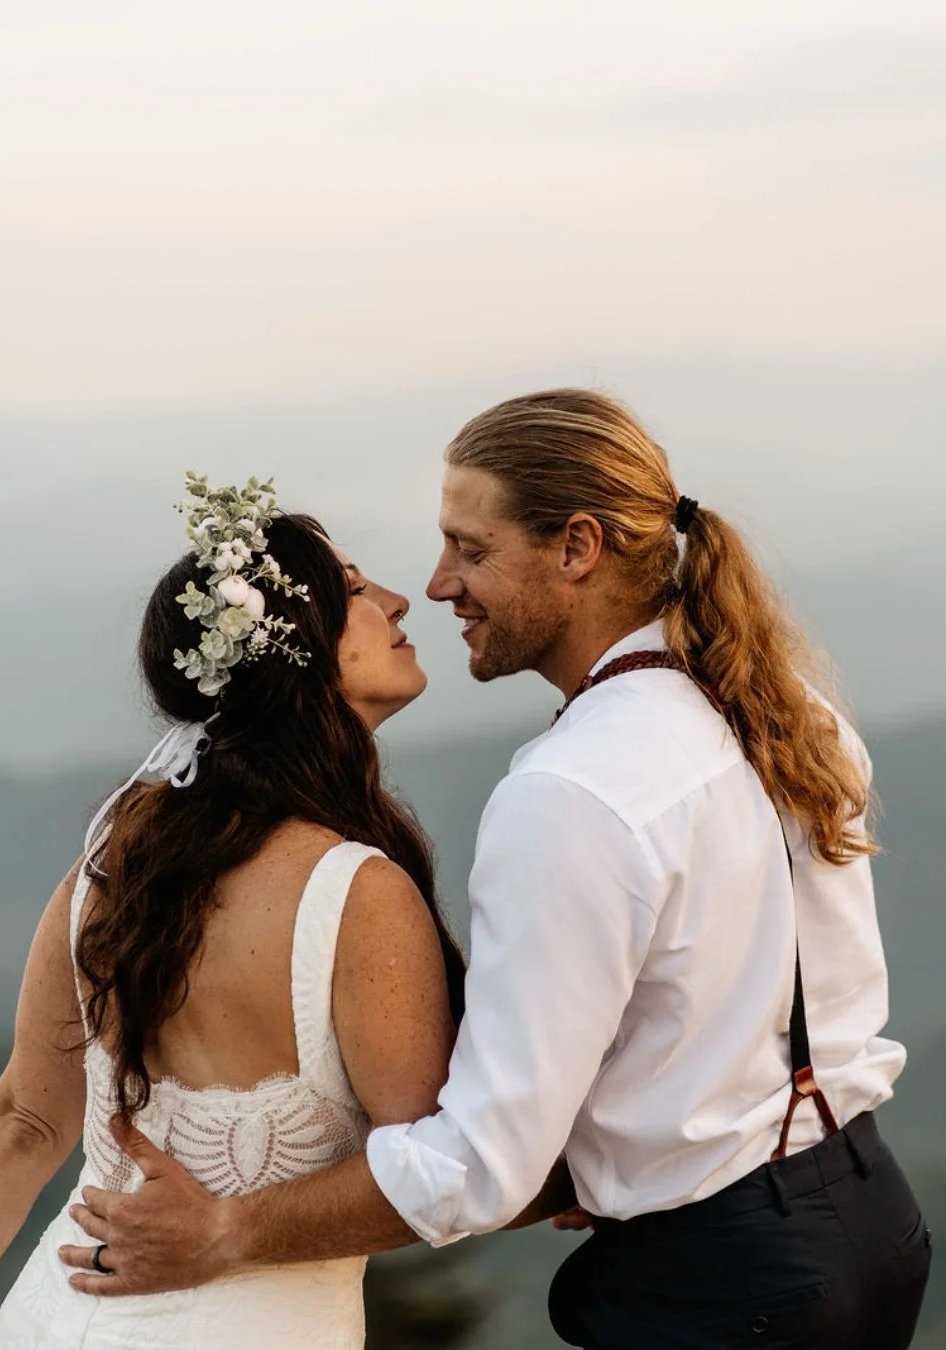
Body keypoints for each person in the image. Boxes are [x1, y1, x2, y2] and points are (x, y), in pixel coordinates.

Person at [62, 391, 930, 1349]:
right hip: (869, 1219)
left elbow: (479, 1165)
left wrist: (227, 1232)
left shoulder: (569, 791)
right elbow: (723, 996)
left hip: (728, 1288)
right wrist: (619, 1152)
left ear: (577, 549)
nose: (438, 585)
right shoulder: (786, 709)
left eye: (470, 549)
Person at [0, 476, 569, 1350]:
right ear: (293, 651)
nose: (398, 601)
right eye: (355, 592)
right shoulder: (356, 893)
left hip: (54, 1319)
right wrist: (599, 1175)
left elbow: (26, 1120)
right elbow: (431, 1173)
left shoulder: (113, 863)